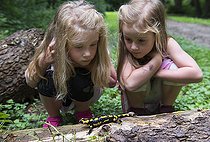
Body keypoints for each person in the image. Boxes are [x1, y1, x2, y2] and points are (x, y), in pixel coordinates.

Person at [25, 1, 117, 128]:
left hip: (87, 94)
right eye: (79, 46)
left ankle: (83, 111)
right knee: (46, 75)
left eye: (93, 44)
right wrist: (44, 61)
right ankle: (54, 116)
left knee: (80, 76)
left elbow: (112, 82)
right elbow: (30, 81)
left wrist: (86, 65)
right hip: (58, 96)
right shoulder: (51, 50)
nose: (87, 53)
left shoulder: (98, 50)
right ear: (62, 41)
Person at [117, 0, 203, 115]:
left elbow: (196, 74)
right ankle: (138, 112)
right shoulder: (127, 50)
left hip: (160, 97)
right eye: (128, 39)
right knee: (138, 74)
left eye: (141, 40)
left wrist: (156, 72)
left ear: (157, 34)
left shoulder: (167, 44)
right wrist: (156, 61)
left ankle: (166, 108)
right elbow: (130, 84)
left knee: (172, 68)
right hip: (135, 104)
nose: (133, 47)